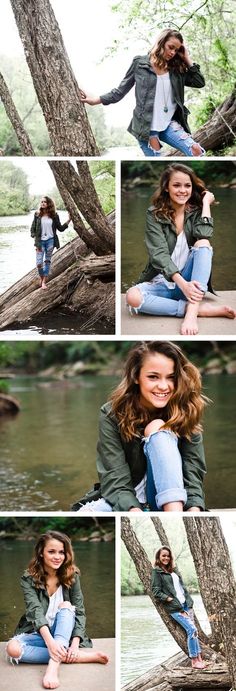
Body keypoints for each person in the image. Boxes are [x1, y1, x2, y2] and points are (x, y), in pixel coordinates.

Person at [77, 341, 207, 513]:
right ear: (136, 377)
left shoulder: (187, 409)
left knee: (158, 428)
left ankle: (176, 519)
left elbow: (193, 470)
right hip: (129, 500)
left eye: (171, 377)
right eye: (153, 377)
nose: (163, 386)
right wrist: (134, 512)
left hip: (174, 503)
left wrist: (193, 511)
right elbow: (114, 475)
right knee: (87, 512)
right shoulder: (112, 413)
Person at [126, 163, 236, 335]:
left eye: (187, 185)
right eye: (176, 185)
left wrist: (206, 203)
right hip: (165, 282)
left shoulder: (195, 210)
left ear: (192, 188)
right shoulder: (154, 214)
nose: (182, 190)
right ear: (166, 188)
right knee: (132, 296)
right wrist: (183, 285)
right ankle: (199, 309)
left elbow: (204, 234)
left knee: (203, 244)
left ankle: (191, 313)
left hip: (191, 282)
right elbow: (158, 254)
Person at [6, 530, 108, 689]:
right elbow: (35, 611)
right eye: (51, 551)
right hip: (40, 632)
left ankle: (53, 666)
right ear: (41, 553)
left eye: (61, 552)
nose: (57, 556)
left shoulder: (72, 575)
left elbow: (79, 610)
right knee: (12, 649)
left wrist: (74, 644)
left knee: (66, 606)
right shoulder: (28, 578)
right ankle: (75, 657)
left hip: (65, 633)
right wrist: (51, 644)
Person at [80, 29, 206, 157]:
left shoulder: (176, 70)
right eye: (171, 47)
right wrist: (96, 100)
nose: (173, 52)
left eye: (177, 50)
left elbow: (199, 82)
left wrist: (186, 58)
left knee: (196, 150)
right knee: (157, 161)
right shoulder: (140, 63)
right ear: (161, 43)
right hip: (147, 127)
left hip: (169, 124)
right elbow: (120, 91)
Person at [151, 546, 205, 668]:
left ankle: (199, 657)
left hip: (186, 605)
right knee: (192, 630)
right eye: (163, 555)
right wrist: (169, 599)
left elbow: (181, 587)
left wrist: (189, 602)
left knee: (193, 631)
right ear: (158, 557)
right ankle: (194, 660)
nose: (166, 558)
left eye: (168, 556)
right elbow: (156, 591)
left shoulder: (173, 570)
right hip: (175, 607)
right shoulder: (157, 572)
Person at [31, 196, 71, 289]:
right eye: (41, 202)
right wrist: (35, 239)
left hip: (50, 242)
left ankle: (44, 282)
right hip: (40, 242)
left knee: (47, 261)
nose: (43, 203)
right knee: (39, 264)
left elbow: (60, 228)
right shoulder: (37, 215)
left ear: (49, 203)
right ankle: (42, 278)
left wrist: (69, 220)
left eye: (45, 202)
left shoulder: (54, 215)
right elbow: (32, 228)